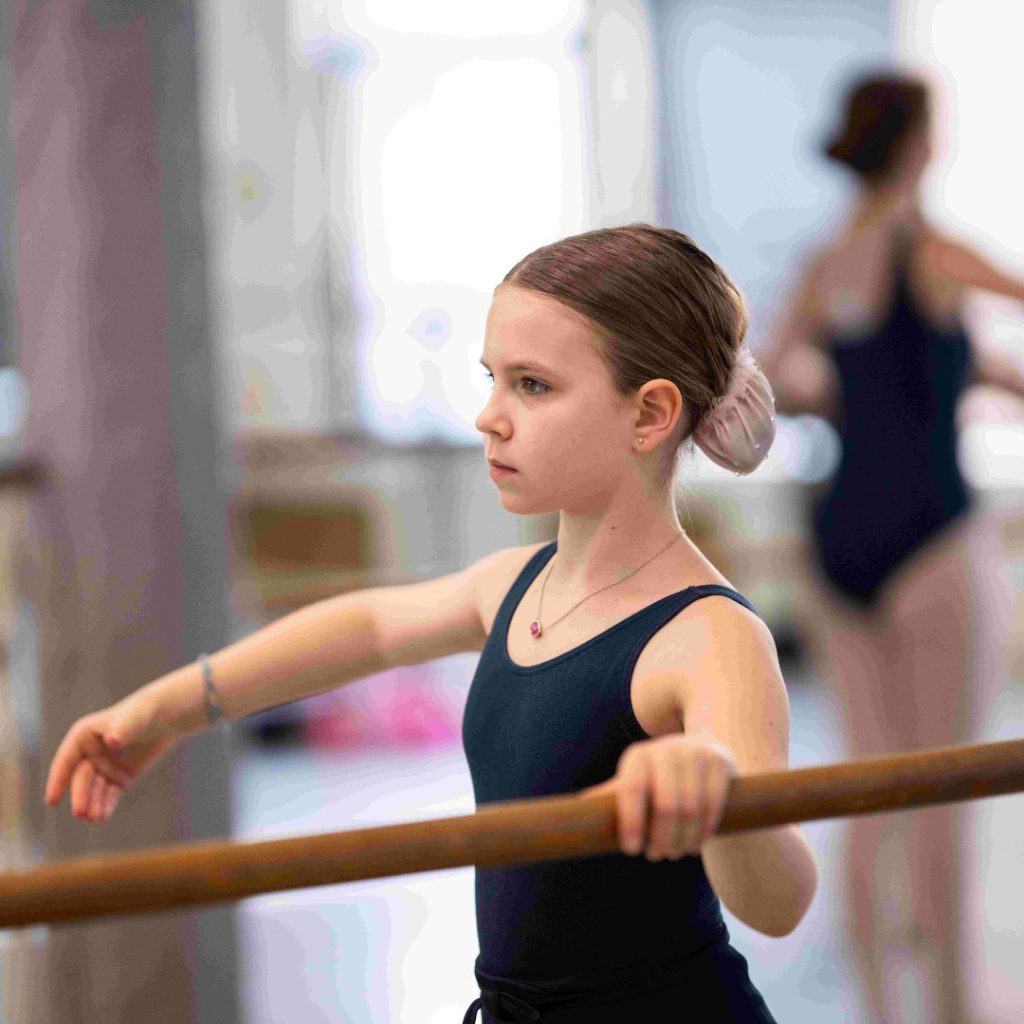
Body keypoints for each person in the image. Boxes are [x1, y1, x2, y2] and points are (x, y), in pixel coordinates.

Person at [46, 224, 818, 1022]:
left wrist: (721, 798)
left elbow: (781, 901)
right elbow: (372, 627)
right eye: (492, 379)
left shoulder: (710, 635)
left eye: (533, 386)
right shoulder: (517, 587)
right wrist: (164, 710)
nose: (490, 417)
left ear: (650, 414)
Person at [763, 73, 1024, 1024]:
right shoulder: (933, 246)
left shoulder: (826, 260)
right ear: (918, 142)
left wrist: (869, 389)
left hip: (837, 540)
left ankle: (880, 1009)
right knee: (946, 791)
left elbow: (782, 378)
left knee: (870, 787)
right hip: (931, 540)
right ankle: (955, 1008)